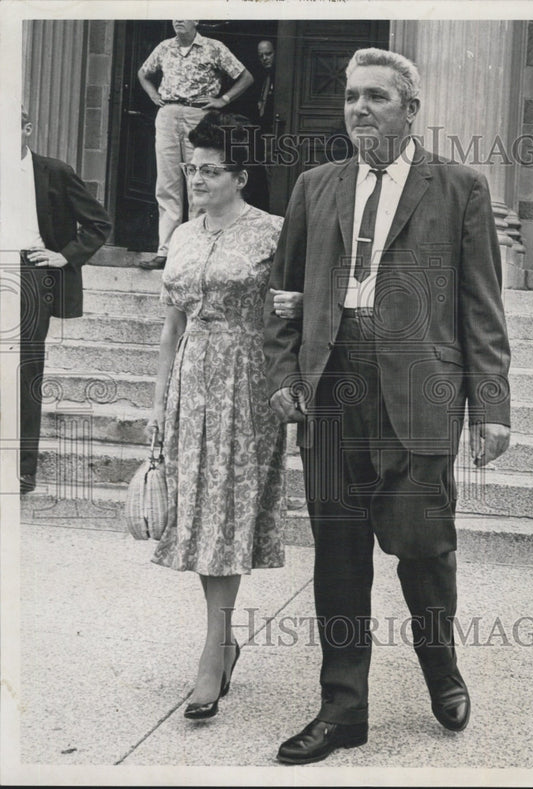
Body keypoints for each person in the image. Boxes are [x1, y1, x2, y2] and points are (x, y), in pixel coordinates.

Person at [263, 48, 511, 764]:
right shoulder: (316, 185)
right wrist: (286, 370)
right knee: (338, 556)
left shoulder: (458, 187)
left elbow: (482, 306)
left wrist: (490, 404)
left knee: (424, 551)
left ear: (411, 109)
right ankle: (343, 707)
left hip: (420, 392)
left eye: (375, 96)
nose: (358, 108)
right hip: (333, 389)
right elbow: (285, 297)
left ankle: (442, 667)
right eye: (349, 96)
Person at [146, 112, 301, 720]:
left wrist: (299, 305)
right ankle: (224, 639)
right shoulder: (182, 235)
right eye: (191, 167)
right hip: (190, 383)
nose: (197, 179)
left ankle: (214, 650)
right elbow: (171, 327)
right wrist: (157, 407)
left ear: (241, 174)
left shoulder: (273, 233)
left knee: (226, 520)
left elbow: (296, 309)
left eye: (210, 169)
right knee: (198, 518)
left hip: (247, 386)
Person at [18, 108, 112, 495]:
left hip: (30, 274)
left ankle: (22, 469)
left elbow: (99, 223)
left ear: (27, 128)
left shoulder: (53, 172)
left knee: (24, 370)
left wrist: (65, 256)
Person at [137, 20, 254, 270]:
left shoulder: (213, 47)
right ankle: (165, 251)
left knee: (200, 180)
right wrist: (152, 94)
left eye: (185, 13)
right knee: (167, 183)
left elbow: (245, 77)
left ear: (197, 20)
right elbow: (143, 73)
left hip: (198, 114)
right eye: (175, 13)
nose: (179, 19)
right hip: (168, 113)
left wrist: (223, 99)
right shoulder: (164, 47)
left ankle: (198, 248)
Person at [256, 40, 275, 134]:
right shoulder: (260, 76)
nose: (264, 58)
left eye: (268, 54)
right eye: (261, 56)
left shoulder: (283, 77)